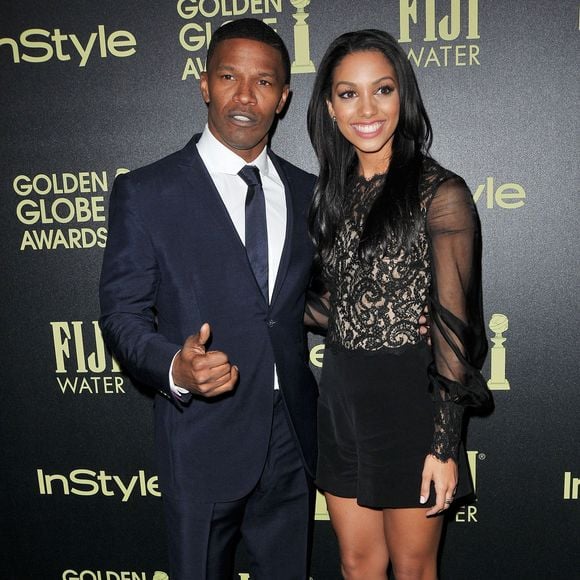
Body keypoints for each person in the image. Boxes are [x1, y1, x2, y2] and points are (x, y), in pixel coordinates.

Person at [99, 19, 319, 580]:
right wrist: (174, 365)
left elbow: (313, 302)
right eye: (229, 77)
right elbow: (122, 315)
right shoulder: (146, 192)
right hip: (200, 435)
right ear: (204, 85)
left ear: (283, 97)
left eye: (263, 82)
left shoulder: (308, 191)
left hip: (293, 436)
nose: (245, 96)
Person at [306, 30, 492, 579]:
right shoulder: (330, 193)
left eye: (382, 90)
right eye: (348, 93)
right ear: (329, 106)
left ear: (403, 97)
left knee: (413, 569)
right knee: (357, 563)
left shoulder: (440, 192)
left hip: (411, 403)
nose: (367, 109)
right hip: (341, 398)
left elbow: (456, 330)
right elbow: (334, 308)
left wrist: (443, 443)